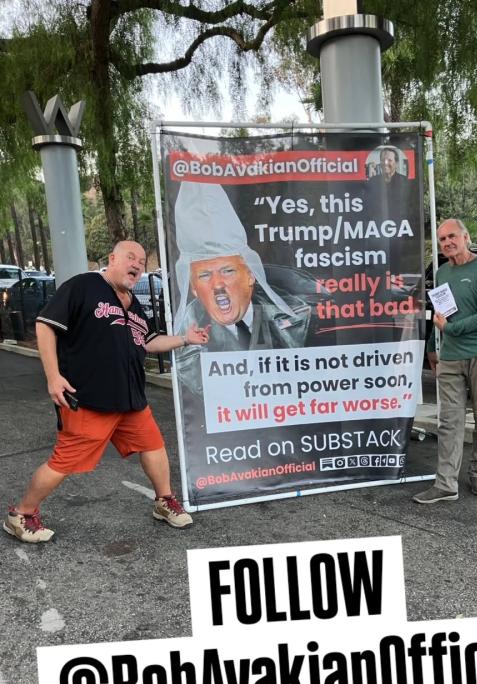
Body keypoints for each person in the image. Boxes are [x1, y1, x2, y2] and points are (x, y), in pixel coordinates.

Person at [3, 241, 207, 543]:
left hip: (131, 400)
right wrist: (53, 376)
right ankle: (20, 514)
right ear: (112, 259)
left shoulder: (133, 305)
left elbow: (149, 342)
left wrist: (185, 340)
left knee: (154, 447)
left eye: (140, 260)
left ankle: (164, 501)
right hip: (89, 398)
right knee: (63, 461)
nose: (136, 264)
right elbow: (46, 325)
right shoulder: (84, 286)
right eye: (129, 257)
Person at [172, 181, 310, 394]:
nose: (217, 284)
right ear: (193, 287)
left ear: (250, 275)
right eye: (205, 275)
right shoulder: (185, 347)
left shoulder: (300, 316)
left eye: (227, 270)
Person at [413, 218, 477, 504]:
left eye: (452, 236)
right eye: (442, 239)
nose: (447, 242)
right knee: (449, 421)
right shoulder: (441, 275)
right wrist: (432, 348)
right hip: (450, 356)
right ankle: (446, 483)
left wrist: (450, 330)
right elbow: (440, 317)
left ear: (466, 237)